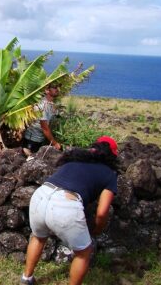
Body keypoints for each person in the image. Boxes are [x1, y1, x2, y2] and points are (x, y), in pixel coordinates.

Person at [21, 136, 119, 285]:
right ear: (112, 156)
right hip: (66, 203)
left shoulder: (75, 159)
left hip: (41, 195)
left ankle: (26, 278)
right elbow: (101, 212)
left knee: (38, 237)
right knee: (84, 253)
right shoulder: (109, 174)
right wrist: (98, 229)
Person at [22, 84, 61, 156]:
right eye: (55, 87)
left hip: (40, 139)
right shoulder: (42, 104)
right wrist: (55, 143)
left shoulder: (51, 104)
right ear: (47, 90)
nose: (57, 89)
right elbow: (45, 128)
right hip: (31, 140)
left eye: (58, 87)